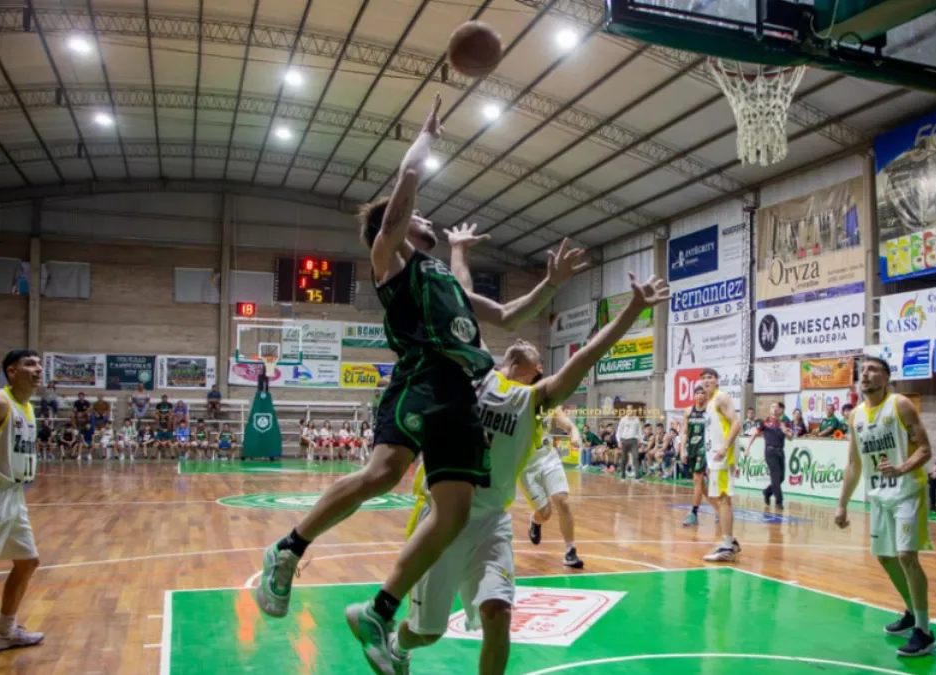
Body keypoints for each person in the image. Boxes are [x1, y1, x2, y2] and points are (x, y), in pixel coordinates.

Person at [254, 96, 585, 675]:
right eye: (417, 218)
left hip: (462, 392)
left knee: (452, 512)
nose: (425, 217)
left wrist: (552, 283)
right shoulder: (391, 261)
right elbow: (407, 179)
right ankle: (289, 548)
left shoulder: (444, 279)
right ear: (400, 227)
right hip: (422, 376)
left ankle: (380, 611)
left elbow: (507, 313)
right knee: (383, 474)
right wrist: (426, 134)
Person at [387, 223, 659, 674]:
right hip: (441, 518)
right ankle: (400, 643)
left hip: (492, 522)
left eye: (532, 352)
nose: (523, 344)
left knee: (499, 616)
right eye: (520, 345)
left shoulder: (534, 400)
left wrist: (630, 312)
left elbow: (585, 356)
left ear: (535, 372)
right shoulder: (473, 373)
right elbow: (460, 297)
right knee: (427, 633)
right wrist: (458, 250)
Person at [834, 355, 936, 657]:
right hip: (880, 495)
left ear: (886, 377)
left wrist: (901, 468)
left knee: (906, 555)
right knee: (885, 558)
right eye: (862, 370)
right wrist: (842, 505)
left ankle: (925, 631)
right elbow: (853, 464)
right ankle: (911, 611)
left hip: (908, 490)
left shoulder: (900, 404)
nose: (865, 374)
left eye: (873, 370)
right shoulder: (855, 416)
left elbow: (926, 450)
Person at [0, 349, 44, 652]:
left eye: (40, 363)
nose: (38, 368)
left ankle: (5, 631)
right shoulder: (2, 403)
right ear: (12, 372)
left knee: (27, 561)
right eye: (30, 364)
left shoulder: (26, 407)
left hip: (14, 495)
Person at [524, 406, 585, 568]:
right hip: (525, 465)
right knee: (545, 513)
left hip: (548, 457)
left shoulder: (549, 402)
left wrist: (575, 436)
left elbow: (569, 426)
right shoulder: (515, 399)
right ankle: (535, 520)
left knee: (562, 501)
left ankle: (570, 550)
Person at [700, 369, 741, 563]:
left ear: (716, 381)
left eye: (710, 377)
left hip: (723, 456)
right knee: (716, 497)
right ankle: (730, 540)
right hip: (714, 457)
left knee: (723, 499)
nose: (707, 380)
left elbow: (736, 423)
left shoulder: (721, 398)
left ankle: (727, 545)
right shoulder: (709, 403)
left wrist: (725, 447)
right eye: (704, 378)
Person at [751, 401, 792, 509]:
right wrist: (747, 448)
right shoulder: (765, 422)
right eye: (772, 407)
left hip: (780, 451)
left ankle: (767, 492)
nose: (775, 409)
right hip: (770, 451)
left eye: (777, 407)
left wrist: (785, 431)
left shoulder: (784, 423)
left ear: (780, 410)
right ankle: (779, 501)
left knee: (781, 477)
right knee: (775, 475)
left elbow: (790, 438)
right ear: (770, 410)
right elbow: (755, 434)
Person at [681, 385, 710, 527]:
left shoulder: (710, 410)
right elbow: (685, 432)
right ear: (694, 395)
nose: (700, 395)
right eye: (697, 393)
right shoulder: (688, 411)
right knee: (701, 484)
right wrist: (682, 451)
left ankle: (694, 512)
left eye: (702, 393)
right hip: (691, 447)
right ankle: (718, 508)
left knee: (698, 479)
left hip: (704, 448)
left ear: (706, 396)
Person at [616, 409, 642, 481]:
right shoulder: (623, 419)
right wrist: (619, 441)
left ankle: (637, 476)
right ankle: (623, 475)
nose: (630, 411)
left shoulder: (636, 419)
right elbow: (619, 431)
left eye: (631, 409)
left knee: (636, 457)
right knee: (624, 458)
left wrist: (640, 440)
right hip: (624, 440)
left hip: (634, 441)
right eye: (628, 409)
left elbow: (639, 430)